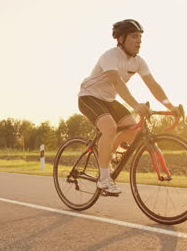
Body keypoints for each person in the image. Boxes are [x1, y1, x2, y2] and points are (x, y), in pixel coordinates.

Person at [77, 19, 181, 194]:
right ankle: (103, 179)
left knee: (133, 127)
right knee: (109, 127)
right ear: (121, 39)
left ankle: (108, 157)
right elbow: (116, 82)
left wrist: (170, 106)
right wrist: (135, 104)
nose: (139, 40)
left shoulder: (138, 62)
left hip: (109, 100)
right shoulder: (110, 56)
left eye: (140, 37)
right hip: (89, 96)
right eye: (134, 36)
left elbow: (152, 84)